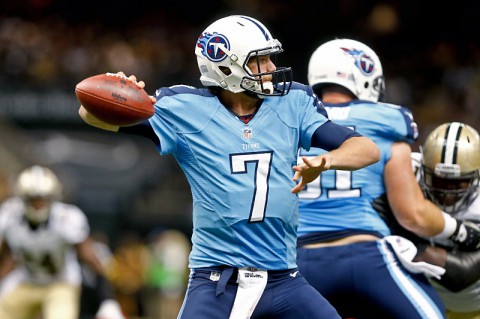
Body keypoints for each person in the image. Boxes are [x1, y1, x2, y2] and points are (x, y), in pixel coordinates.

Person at [78, 15, 381, 319]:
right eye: (260, 61)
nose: (272, 69)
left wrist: (326, 161)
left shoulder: (294, 101)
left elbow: (366, 149)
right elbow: (90, 113)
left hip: (284, 279)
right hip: (218, 283)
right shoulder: (184, 108)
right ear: (226, 67)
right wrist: (117, 94)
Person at [295, 38, 480, 319]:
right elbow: (412, 214)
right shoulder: (388, 119)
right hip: (365, 255)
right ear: (367, 76)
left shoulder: (285, 120)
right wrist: (461, 232)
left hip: (297, 260)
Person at [378, 122, 480, 319]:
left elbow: (460, 274)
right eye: (439, 181)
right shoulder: (410, 170)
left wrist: (399, 230)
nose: (447, 193)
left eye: (458, 183)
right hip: (423, 295)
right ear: (424, 170)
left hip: (474, 304)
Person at [0, 165, 125, 319]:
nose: (39, 204)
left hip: (61, 283)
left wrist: (108, 300)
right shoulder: (9, 217)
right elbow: (4, 257)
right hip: (27, 281)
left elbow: (91, 260)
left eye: (43, 199)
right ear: (23, 199)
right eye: (34, 199)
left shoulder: (67, 219)